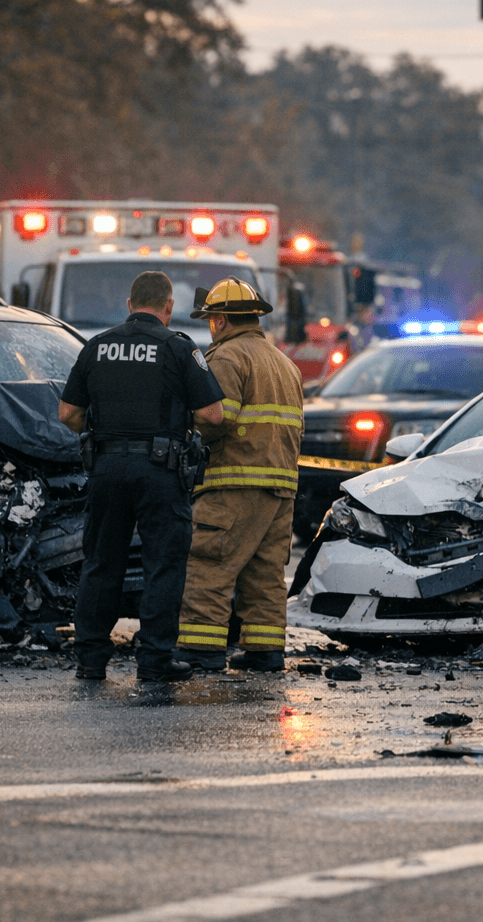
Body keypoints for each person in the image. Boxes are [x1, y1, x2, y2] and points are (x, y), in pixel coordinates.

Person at [58, 271, 226, 683]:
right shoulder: (178, 348)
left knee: (101, 563)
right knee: (162, 566)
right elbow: (212, 414)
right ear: (168, 307)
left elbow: (68, 414)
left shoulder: (96, 347)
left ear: (130, 304)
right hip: (160, 472)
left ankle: (91, 660)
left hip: (106, 469)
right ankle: (154, 661)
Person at [174, 277, 304, 673]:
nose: (212, 326)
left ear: (222, 320)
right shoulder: (284, 362)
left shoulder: (227, 358)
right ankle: (265, 651)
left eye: (213, 318)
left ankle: (200, 647)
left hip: (234, 483)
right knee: (264, 573)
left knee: (209, 565)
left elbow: (216, 419)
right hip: (280, 486)